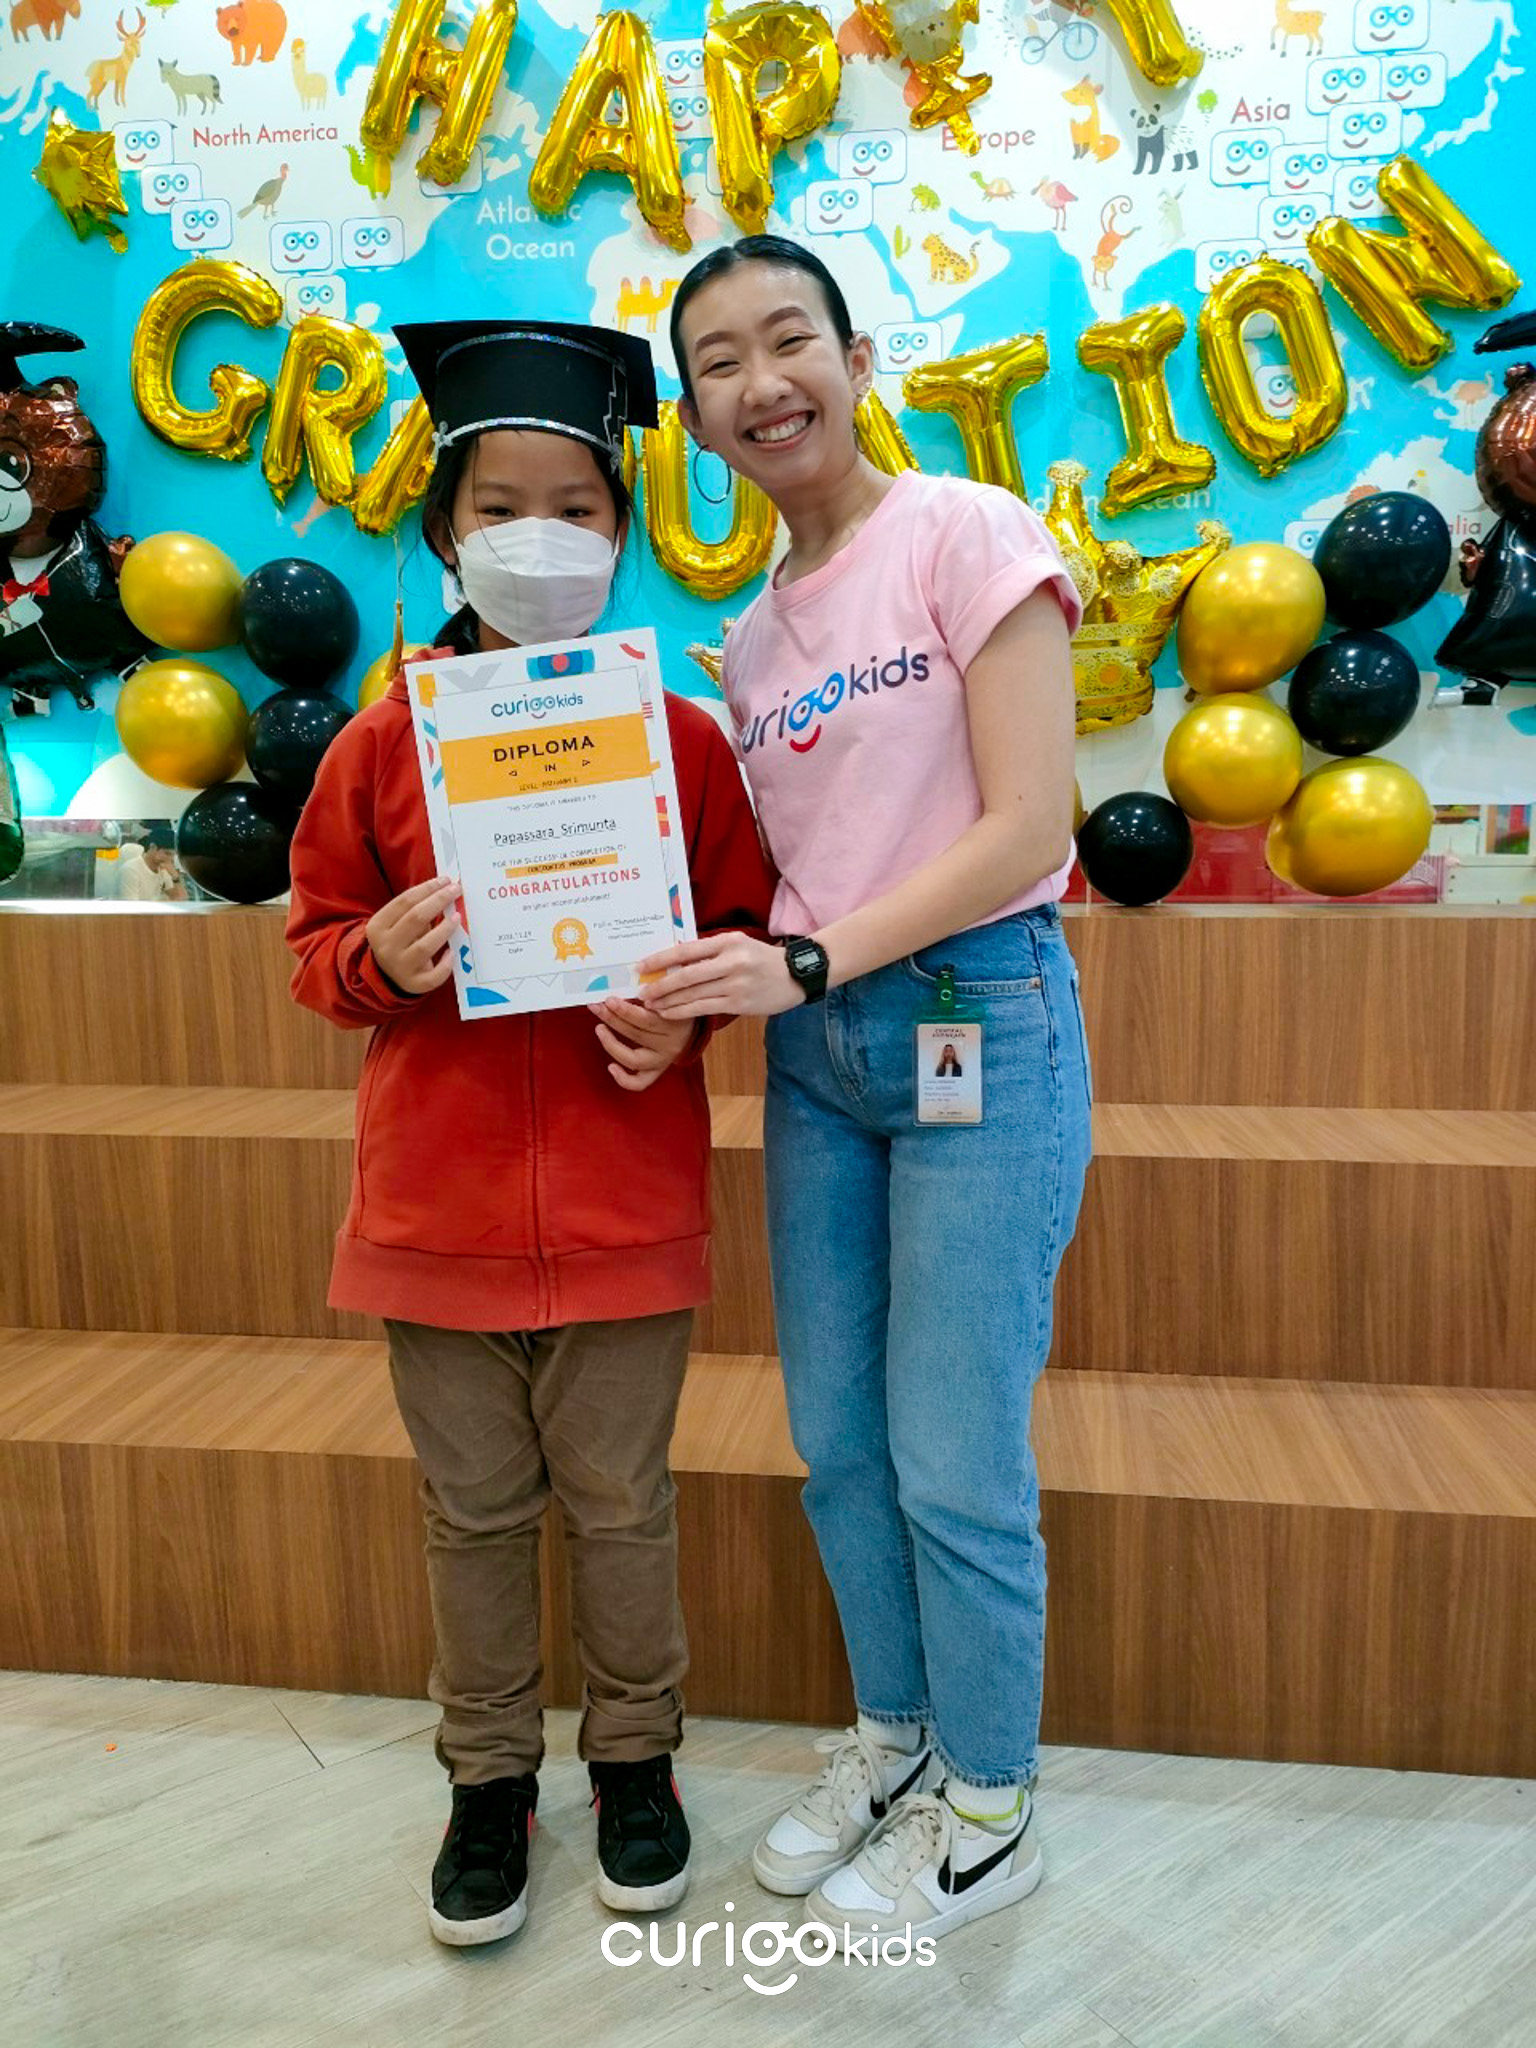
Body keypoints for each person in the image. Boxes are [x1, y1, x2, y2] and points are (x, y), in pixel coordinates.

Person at [285, 319, 774, 1951]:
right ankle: (488, 1780)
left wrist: (687, 1014)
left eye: (576, 507)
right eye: (501, 508)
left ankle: (636, 1759)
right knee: (473, 1517)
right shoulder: (379, 743)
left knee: (624, 1507)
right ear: (447, 529)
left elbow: (742, 929)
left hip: (626, 1207)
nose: (538, 538)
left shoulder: (680, 741)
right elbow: (313, 950)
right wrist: (378, 956)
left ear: (623, 529)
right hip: (436, 1216)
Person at [644, 236, 1092, 1948]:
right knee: (838, 1442)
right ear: (696, 420)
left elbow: (1028, 826)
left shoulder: (965, 532)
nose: (763, 384)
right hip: (820, 1061)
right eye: (720, 364)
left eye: (790, 340)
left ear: (856, 356)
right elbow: (797, 869)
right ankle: (898, 1739)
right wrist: (697, 976)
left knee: (952, 1449)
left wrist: (813, 959)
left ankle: (992, 1805)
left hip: (977, 1015)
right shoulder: (751, 643)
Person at [117, 822, 187, 901]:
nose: (170, 859)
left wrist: (175, 877)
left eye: (173, 855)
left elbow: (181, 898)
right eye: (167, 853)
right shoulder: (131, 870)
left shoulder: (163, 868)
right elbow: (131, 906)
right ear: (152, 847)